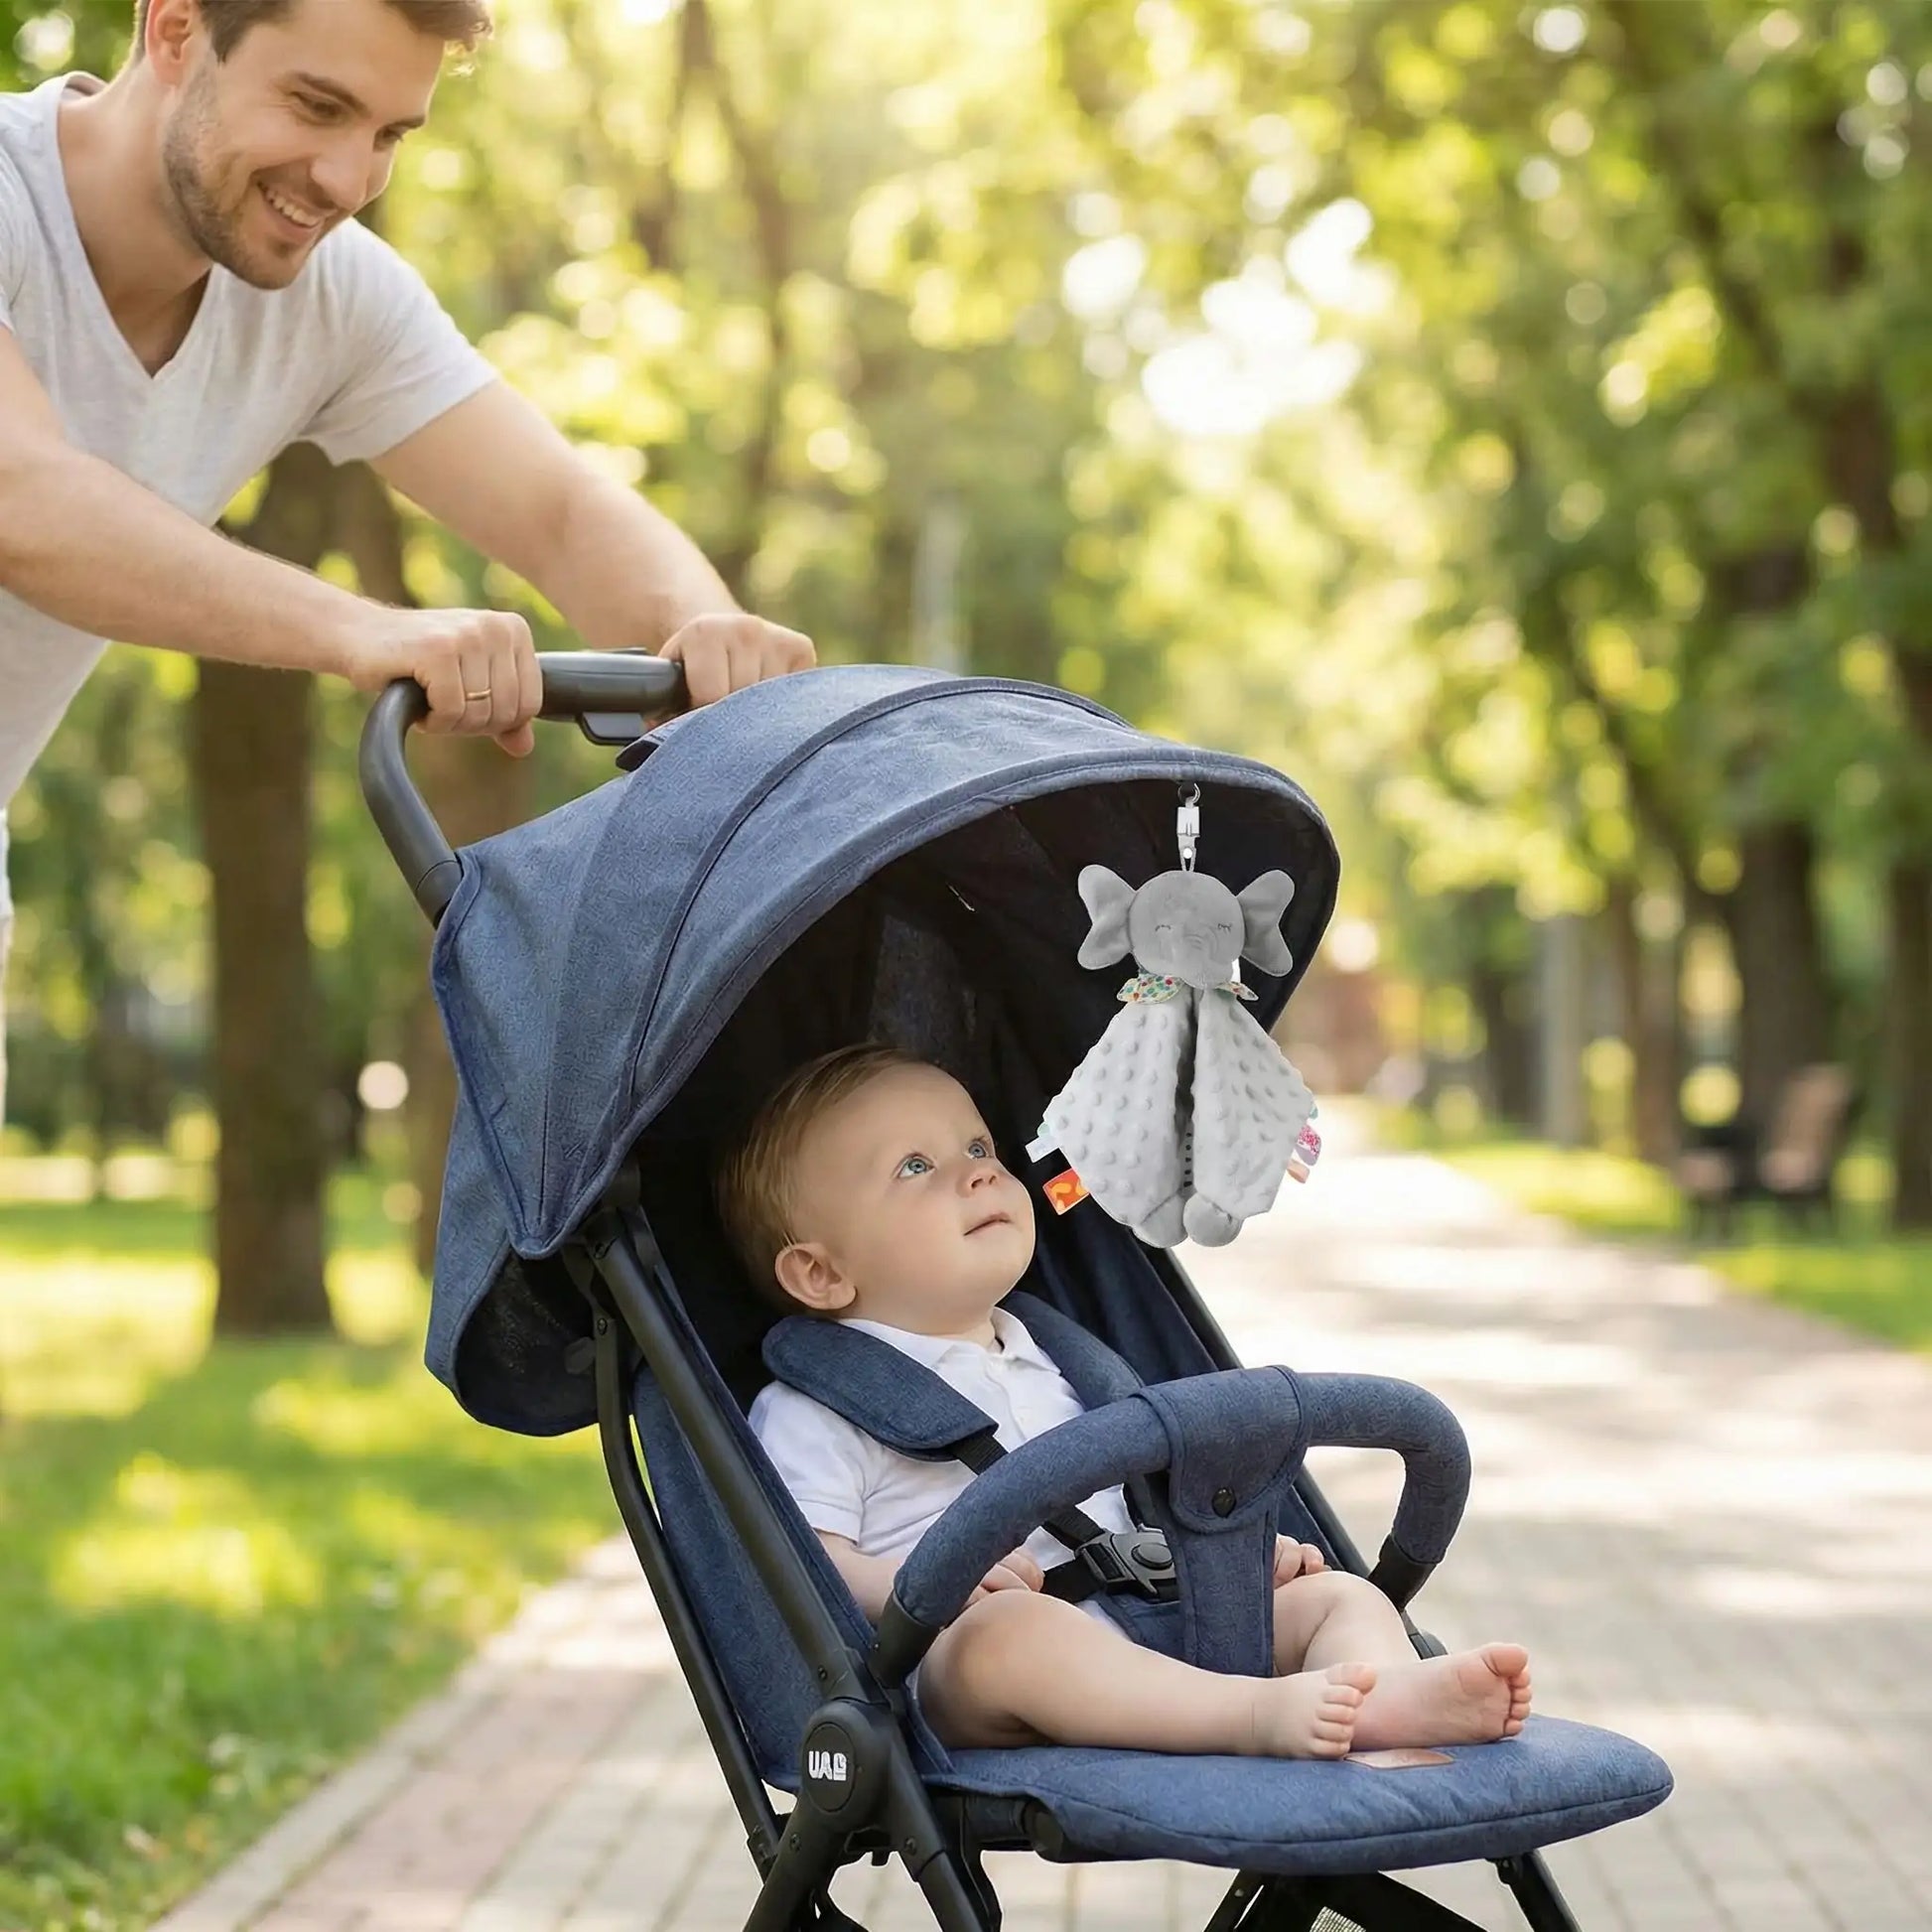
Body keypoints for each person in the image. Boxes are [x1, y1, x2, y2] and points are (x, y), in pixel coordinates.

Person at [0, 0, 816, 1116]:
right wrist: (364, 630)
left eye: (389, 134)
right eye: (317, 104)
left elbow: (559, 508)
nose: (344, 178)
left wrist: (708, 646)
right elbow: (21, 498)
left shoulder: (328, 301)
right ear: (177, 29)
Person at [718, 1043, 1534, 1759]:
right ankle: (1254, 1716)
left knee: (1341, 1596)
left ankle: (1386, 1701)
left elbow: (1137, 1506)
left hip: (1154, 1615)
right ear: (821, 1274)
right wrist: (911, 1581)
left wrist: (1238, 1559)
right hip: (968, 1659)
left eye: (978, 1144)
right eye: (916, 1166)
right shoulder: (818, 1408)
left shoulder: (1057, 1355)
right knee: (1016, 1637)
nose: (979, 1170)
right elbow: (803, 1561)